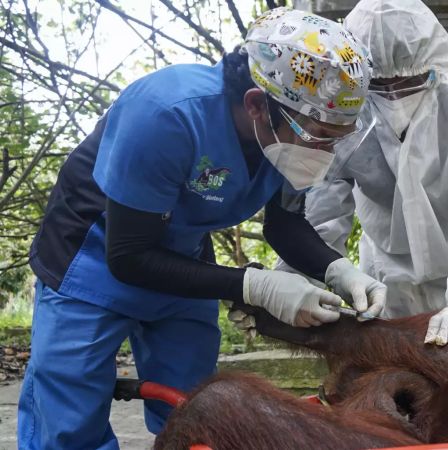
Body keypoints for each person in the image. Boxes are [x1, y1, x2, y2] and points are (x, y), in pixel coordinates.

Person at [18, 8, 384, 449]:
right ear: (255, 104)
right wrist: (253, 285)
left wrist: (340, 270)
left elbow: (284, 222)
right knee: (68, 415)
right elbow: (129, 254)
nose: (324, 151)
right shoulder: (165, 114)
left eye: (337, 137)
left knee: (197, 410)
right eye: (319, 135)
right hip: (91, 256)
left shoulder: (283, 131)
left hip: (181, 257)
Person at [298, 0, 448, 346]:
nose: (394, 95)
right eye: (378, 85)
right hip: (382, 282)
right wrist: (298, 284)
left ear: (433, 65)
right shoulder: (346, 116)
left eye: (408, 82)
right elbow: (321, 214)